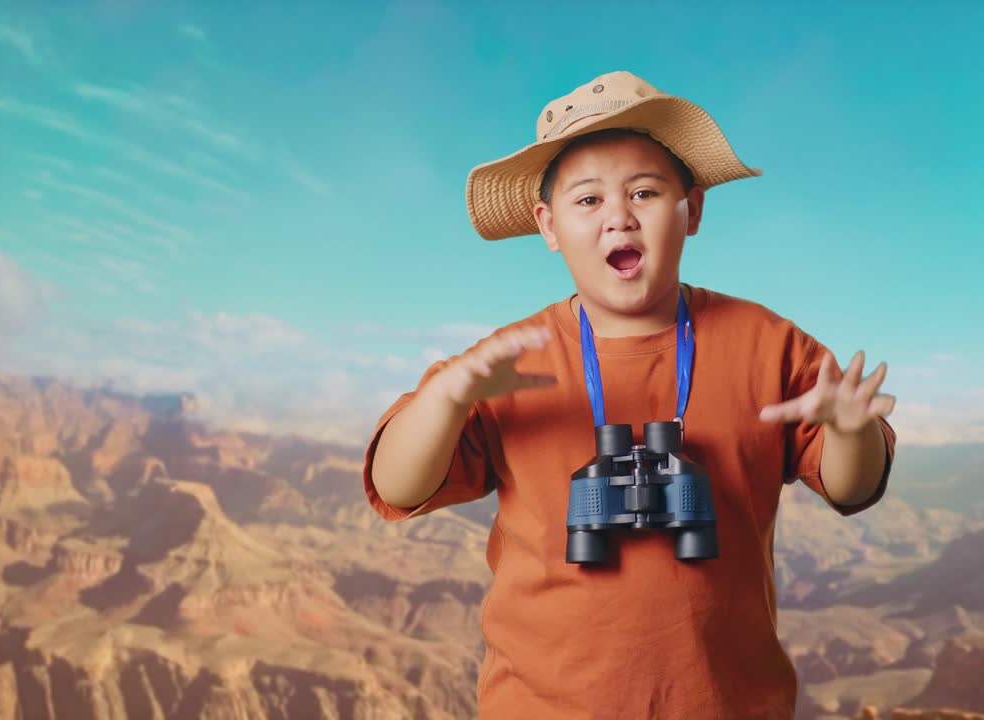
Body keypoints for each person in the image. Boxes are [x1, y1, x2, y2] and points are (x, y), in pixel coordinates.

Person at [363, 70, 898, 719]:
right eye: (588, 200)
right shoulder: (503, 363)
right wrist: (445, 401)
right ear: (549, 226)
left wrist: (850, 430)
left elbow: (852, 489)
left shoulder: (768, 344)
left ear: (692, 209)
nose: (619, 216)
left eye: (644, 192)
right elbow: (396, 486)